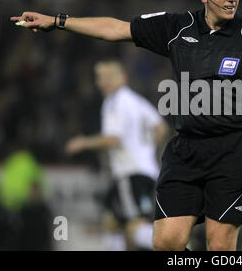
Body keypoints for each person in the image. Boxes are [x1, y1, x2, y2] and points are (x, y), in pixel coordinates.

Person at [11, 0, 242, 251]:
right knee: (166, 242)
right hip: (185, 152)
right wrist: (58, 21)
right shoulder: (177, 27)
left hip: (231, 151)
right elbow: (116, 29)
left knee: (219, 248)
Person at [65, 60, 169, 250]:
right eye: (100, 77)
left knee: (134, 227)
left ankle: (177, 247)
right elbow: (161, 127)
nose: (103, 82)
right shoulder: (135, 99)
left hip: (130, 174)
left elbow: (112, 139)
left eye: (109, 77)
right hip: (144, 172)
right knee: (112, 223)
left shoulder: (115, 101)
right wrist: (145, 150)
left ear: (123, 77)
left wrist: (83, 143)